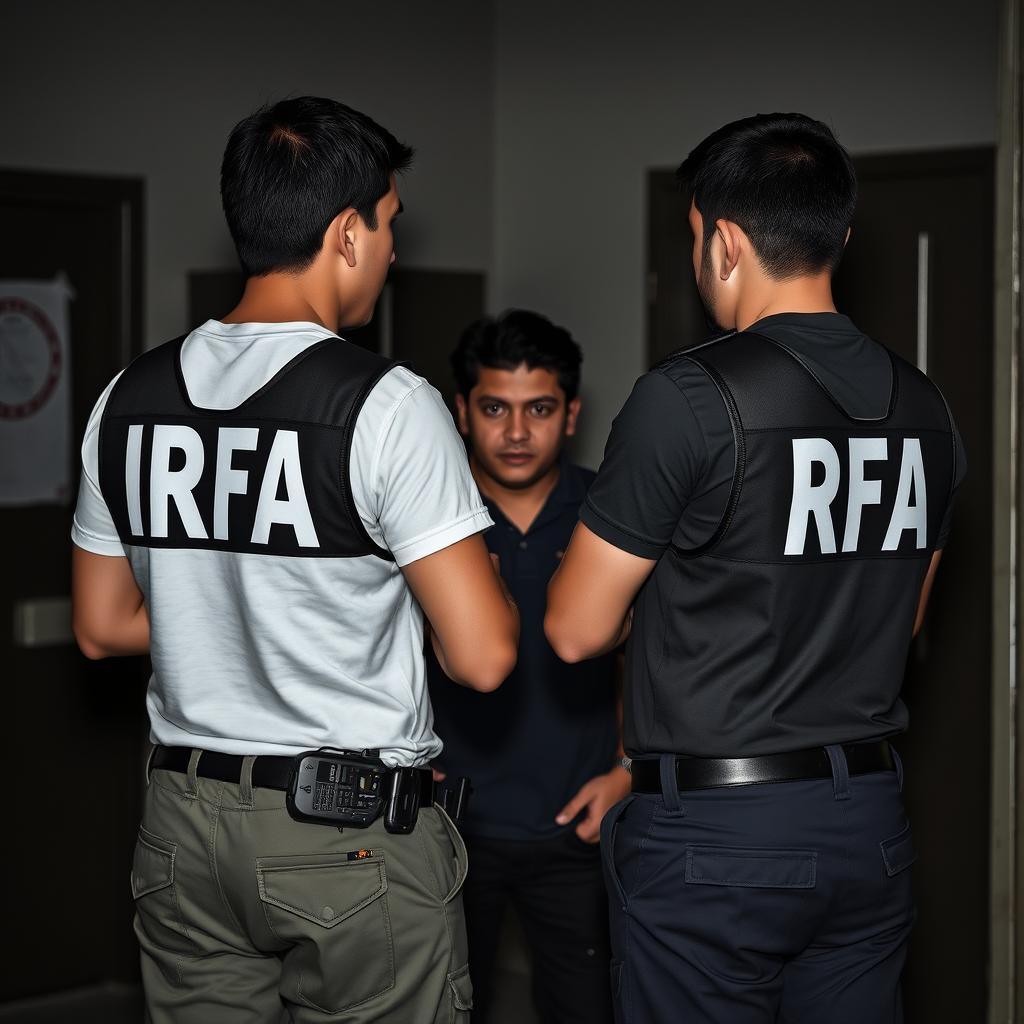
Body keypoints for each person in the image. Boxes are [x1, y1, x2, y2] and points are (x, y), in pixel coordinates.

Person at [70, 95, 518, 1024]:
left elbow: (105, 625)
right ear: (346, 233)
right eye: (389, 225)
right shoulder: (387, 404)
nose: (393, 252)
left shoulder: (129, 395)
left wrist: (235, 607)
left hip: (182, 825)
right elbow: (482, 656)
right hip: (343, 833)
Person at [545, 112, 965, 1023]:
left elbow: (575, 631)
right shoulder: (927, 407)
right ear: (840, 236)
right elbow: (908, 613)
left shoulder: (688, 396)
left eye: (695, 239)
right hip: (865, 823)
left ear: (724, 242)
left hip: (718, 839)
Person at [428, 309, 625, 1023]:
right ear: (461, 411)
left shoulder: (613, 512)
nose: (515, 433)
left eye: (538, 409)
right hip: (446, 826)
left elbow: (658, 653)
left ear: (571, 413)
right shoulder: (426, 519)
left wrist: (629, 767)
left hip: (577, 823)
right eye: (494, 409)